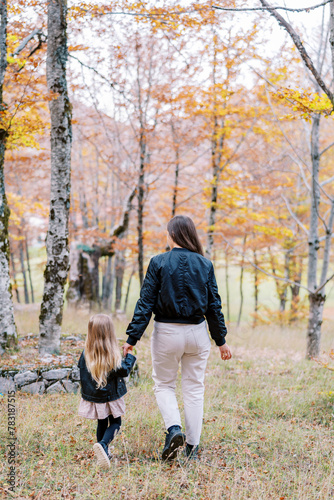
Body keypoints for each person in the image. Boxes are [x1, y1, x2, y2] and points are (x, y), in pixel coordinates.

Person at [123, 215, 231, 461]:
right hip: (197, 334)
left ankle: (173, 429)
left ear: (173, 235)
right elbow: (214, 306)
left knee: (164, 385)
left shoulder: (158, 262)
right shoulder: (205, 264)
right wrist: (221, 341)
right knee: (194, 389)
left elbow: (145, 303)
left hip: (167, 333)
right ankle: (192, 448)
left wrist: (132, 338)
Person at [78, 314, 136, 469]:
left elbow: (82, 373)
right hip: (110, 396)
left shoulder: (86, 353)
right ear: (109, 332)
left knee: (102, 422)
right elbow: (124, 371)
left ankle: (102, 452)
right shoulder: (111, 354)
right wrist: (129, 356)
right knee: (116, 422)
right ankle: (103, 445)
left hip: (95, 396)